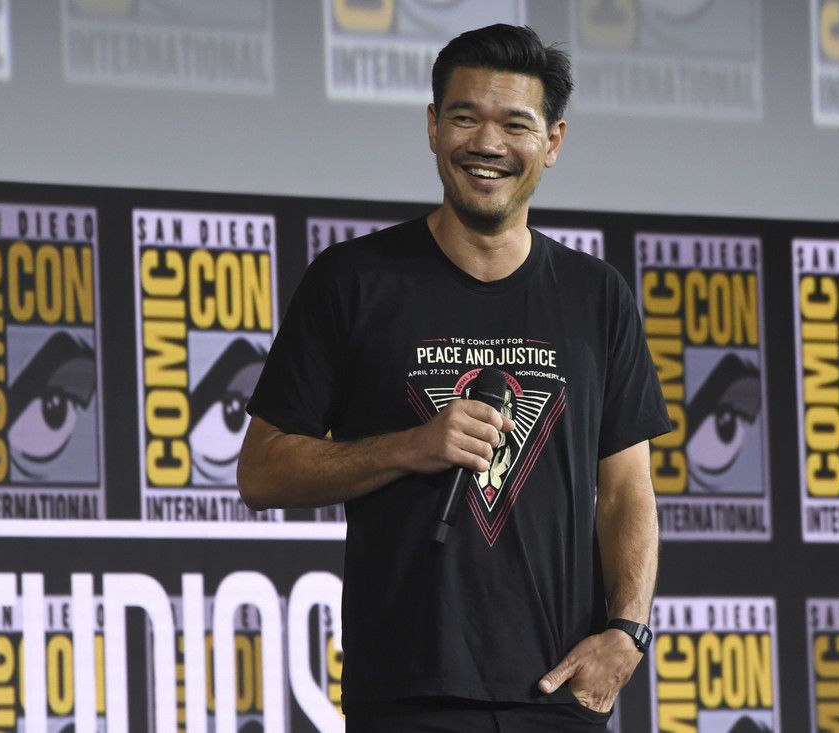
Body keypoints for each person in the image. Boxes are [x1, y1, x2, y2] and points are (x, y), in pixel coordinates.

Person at [237, 23, 670, 733]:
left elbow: (627, 489)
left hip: (559, 697)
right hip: (406, 696)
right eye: (465, 117)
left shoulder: (597, 296)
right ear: (434, 127)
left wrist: (627, 632)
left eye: (516, 124)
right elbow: (261, 471)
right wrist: (410, 446)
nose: (487, 143)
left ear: (553, 142)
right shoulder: (354, 281)